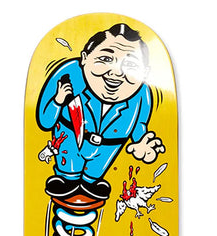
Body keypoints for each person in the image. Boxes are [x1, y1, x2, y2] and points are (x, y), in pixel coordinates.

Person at [37, 23, 165, 203]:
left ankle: (91, 182)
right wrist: (58, 101)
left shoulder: (142, 95)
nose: (116, 73)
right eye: (105, 58)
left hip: (107, 150)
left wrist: (142, 144)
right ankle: (67, 178)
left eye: (130, 64)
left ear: (145, 73)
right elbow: (45, 120)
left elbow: (139, 126)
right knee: (67, 179)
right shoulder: (69, 77)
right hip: (70, 142)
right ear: (84, 58)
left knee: (93, 180)